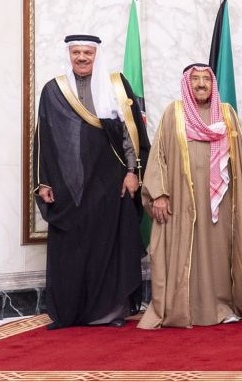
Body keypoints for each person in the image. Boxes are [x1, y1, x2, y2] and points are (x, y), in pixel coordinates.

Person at [33, 34, 149, 329]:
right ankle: (68, 314)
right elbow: (43, 138)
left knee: (109, 248)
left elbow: (130, 134)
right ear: (68, 55)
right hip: (67, 184)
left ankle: (109, 313)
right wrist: (43, 182)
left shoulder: (116, 86)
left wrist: (132, 172)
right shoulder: (53, 90)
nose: (82, 58)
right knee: (70, 249)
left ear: (97, 55)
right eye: (76, 53)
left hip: (111, 182)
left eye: (87, 53)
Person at [138, 63, 242, 329]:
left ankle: (222, 305)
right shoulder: (174, 114)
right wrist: (159, 194)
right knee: (186, 253)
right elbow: (158, 156)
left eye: (206, 79)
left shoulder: (226, 115)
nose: (201, 84)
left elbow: (240, 160)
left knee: (219, 253)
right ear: (186, 84)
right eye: (195, 80)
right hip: (182, 201)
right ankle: (185, 309)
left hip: (222, 203)